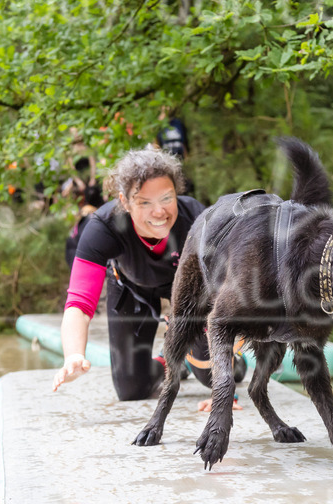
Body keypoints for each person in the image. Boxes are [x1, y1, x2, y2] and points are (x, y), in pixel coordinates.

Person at [52, 145, 241, 403]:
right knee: (132, 390)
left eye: (166, 198)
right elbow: (79, 304)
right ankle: (171, 358)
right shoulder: (103, 227)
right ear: (125, 202)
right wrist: (73, 354)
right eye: (144, 202)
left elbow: (223, 289)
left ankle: (230, 361)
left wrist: (224, 391)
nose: (159, 212)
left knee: (214, 375)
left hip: (188, 290)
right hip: (131, 287)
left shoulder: (196, 219)